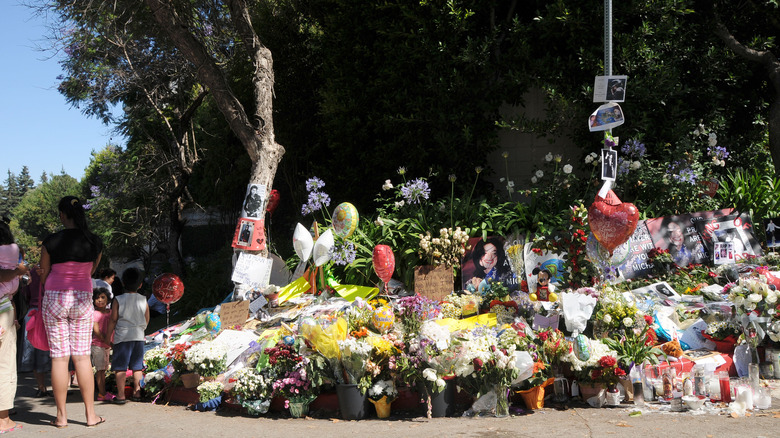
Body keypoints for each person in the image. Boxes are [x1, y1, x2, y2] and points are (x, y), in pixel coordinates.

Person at [40, 196, 105, 428]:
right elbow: (91, 271)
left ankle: (61, 417)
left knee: (59, 357)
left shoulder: (51, 241)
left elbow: (44, 272)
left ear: (62, 215)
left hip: (55, 297)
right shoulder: (95, 241)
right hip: (81, 298)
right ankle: (90, 416)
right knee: (81, 356)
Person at [0, 220, 28, 433]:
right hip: (2, 313)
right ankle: (3, 419)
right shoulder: (12, 257)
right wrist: (19, 270)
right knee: (5, 365)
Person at [107, 267, 149, 404]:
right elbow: (146, 317)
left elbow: (113, 319)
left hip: (122, 338)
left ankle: (120, 395)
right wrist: (141, 328)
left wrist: (108, 335)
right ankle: (137, 392)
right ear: (140, 284)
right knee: (137, 367)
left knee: (120, 367)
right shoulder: (143, 299)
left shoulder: (118, 299)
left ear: (123, 283)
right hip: (138, 337)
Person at [19, 263, 53, 398]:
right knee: (52, 352)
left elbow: (25, 293)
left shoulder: (31, 272)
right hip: (50, 313)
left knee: (34, 351)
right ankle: (59, 387)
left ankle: (41, 386)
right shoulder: (53, 271)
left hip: (33, 313)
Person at [91, 287, 114, 402]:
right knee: (100, 370)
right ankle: (101, 394)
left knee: (103, 370)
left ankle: (103, 392)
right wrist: (107, 340)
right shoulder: (94, 313)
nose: (99, 300)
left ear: (108, 299)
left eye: (102, 297)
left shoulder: (110, 312)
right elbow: (96, 330)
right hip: (98, 345)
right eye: (97, 298)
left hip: (106, 346)